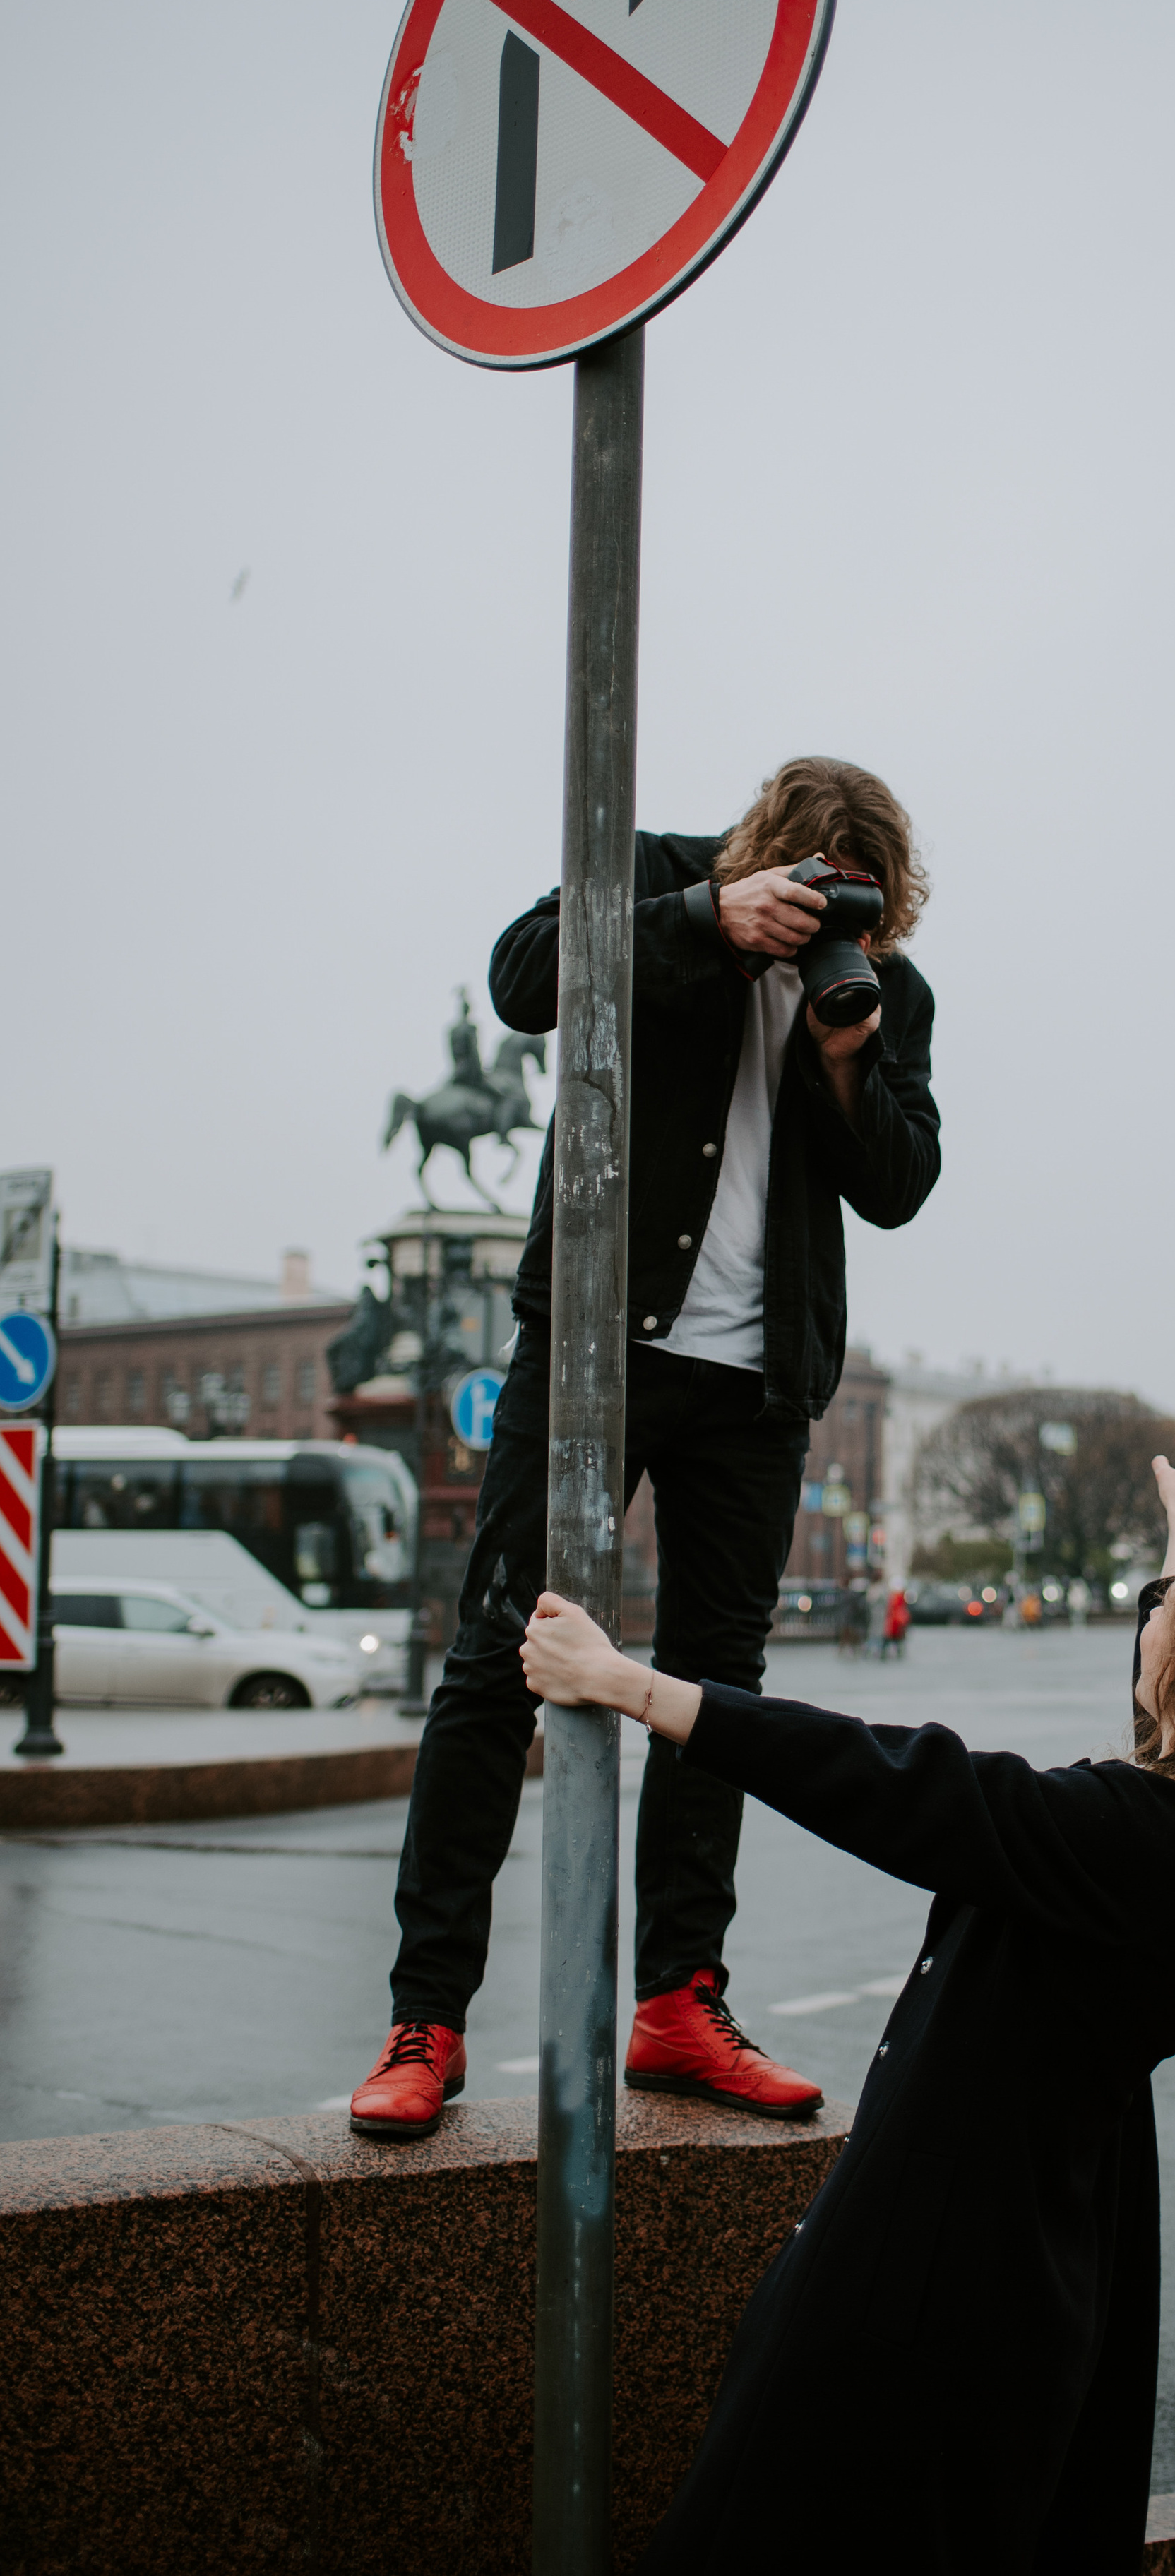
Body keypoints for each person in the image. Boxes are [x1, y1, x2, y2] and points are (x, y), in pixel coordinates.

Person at [521, 1431, 1175, 2574]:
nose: (1153, 1616)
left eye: (1173, 1612)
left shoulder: (1123, 1837)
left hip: (917, 2313)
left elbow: (896, 1782)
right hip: (1010, 2292)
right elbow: (1162, 1726)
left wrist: (630, 1685)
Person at [350, 758, 940, 2139]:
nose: (829, 912)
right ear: (768, 850)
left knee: (714, 1690)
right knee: (498, 1658)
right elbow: (520, 982)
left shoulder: (883, 990)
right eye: (813, 880)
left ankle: (678, 2002)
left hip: (757, 1385)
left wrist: (848, 1058)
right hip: (594, 1350)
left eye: (859, 897)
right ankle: (425, 2017)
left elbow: (900, 1185)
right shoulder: (659, 873)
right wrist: (707, 922)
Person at [880, 1581, 910, 1657]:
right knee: (893, 1641)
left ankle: (890, 1653)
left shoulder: (897, 1597)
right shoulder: (896, 1597)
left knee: (895, 1641)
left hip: (895, 1623)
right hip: (894, 1623)